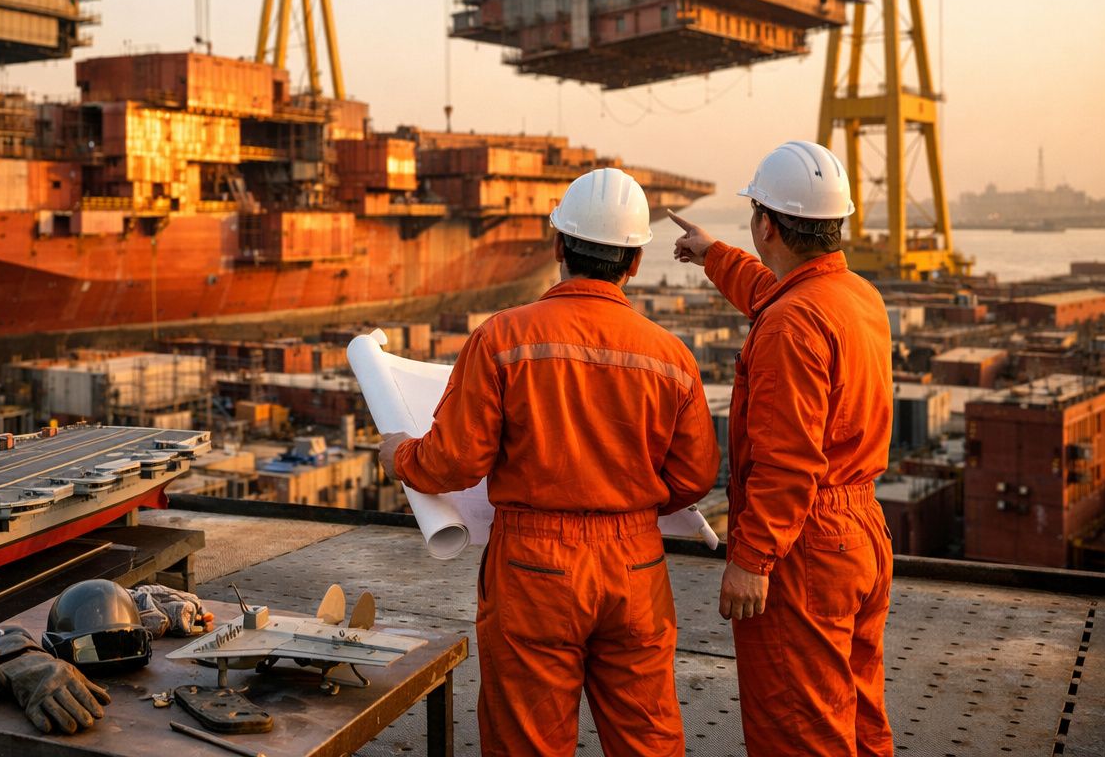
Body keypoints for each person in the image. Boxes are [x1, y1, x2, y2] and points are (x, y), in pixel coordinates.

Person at [379, 167, 719, 757]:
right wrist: (626, 503)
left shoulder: (503, 339)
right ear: (634, 263)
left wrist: (399, 455)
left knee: (527, 743)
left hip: (535, 570)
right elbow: (693, 478)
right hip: (635, 568)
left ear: (558, 244)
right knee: (649, 740)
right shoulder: (671, 356)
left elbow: (454, 462)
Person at [670, 140, 895, 756]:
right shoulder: (854, 296)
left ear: (766, 224)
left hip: (805, 549)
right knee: (856, 714)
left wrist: (753, 559)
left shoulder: (793, 324)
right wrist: (714, 254)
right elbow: (776, 293)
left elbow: (787, 460)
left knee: (798, 731)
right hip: (860, 534)